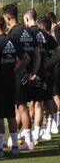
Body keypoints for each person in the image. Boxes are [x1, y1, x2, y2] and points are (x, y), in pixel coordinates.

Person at [3, 4, 40, 150]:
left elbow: (18, 57)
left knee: (22, 107)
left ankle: (28, 141)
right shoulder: (29, 31)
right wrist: (35, 72)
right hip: (29, 75)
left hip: (19, 75)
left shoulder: (12, 33)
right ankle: (17, 138)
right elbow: (37, 53)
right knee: (20, 106)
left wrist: (17, 71)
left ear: (7, 17)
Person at [0, 16, 30, 156]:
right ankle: (14, 147)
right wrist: (16, 71)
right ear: (4, 26)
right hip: (12, 81)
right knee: (11, 115)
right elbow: (26, 58)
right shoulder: (13, 40)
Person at [23, 9, 52, 145]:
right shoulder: (44, 33)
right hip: (42, 72)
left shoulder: (28, 33)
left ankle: (26, 132)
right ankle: (37, 134)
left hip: (29, 73)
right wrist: (48, 63)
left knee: (25, 105)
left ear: (28, 19)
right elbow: (57, 51)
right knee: (38, 104)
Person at [37, 16, 60, 141]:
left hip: (45, 74)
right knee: (48, 100)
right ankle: (49, 128)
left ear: (41, 26)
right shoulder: (50, 38)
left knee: (39, 102)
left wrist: (46, 64)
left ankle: (38, 130)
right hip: (49, 73)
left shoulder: (43, 38)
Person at [45, 12, 60, 134]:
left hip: (55, 68)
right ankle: (55, 122)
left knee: (54, 95)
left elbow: (58, 51)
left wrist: (48, 63)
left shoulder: (56, 32)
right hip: (54, 67)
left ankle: (56, 122)